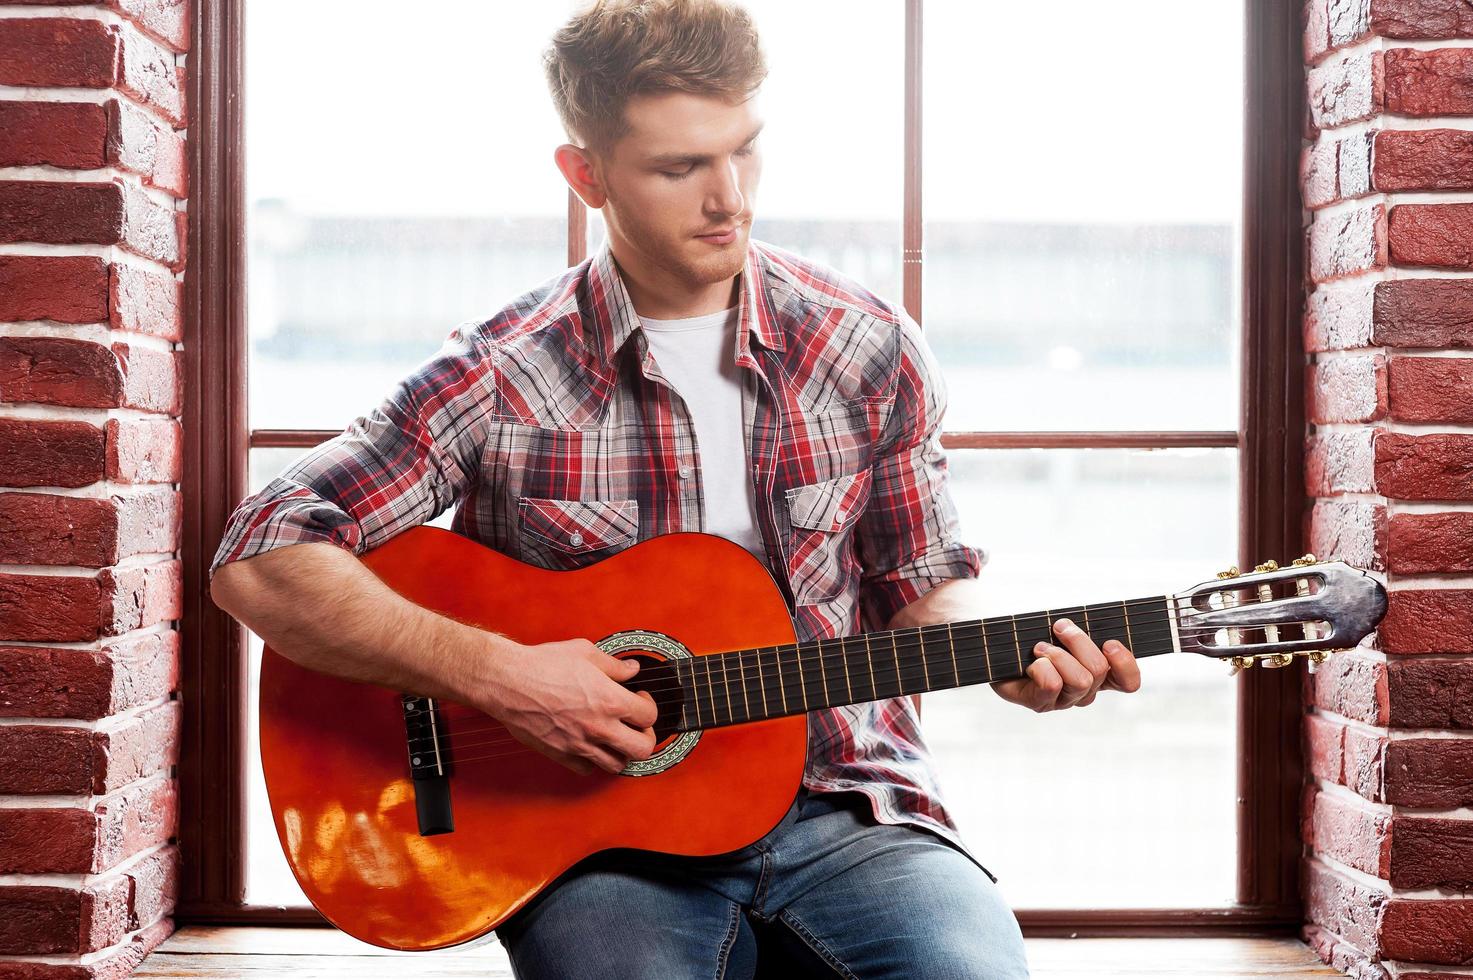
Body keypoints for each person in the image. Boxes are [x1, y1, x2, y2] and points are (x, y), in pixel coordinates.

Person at [210, 1, 1143, 976]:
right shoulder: (504, 369)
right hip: (600, 839)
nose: (729, 197)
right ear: (587, 174)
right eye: (678, 167)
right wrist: (504, 675)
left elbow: (924, 577)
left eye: (745, 151)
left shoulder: (868, 345)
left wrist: (1011, 654)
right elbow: (260, 553)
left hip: (853, 804)